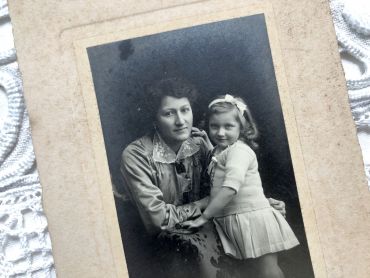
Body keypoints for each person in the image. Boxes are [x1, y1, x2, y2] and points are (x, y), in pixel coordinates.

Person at [120, 78, 287, 278]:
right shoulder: (136, 155)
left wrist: (261, 205)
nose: (181, 121)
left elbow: (225, 187)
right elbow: (157, 220)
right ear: (154, 119)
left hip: (206, 227)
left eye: (185, 110)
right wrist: (204, 204)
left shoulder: (200, 142)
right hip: (163, 243)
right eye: (169, 113)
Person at [182, 94, 299, 278]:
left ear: (241, 127)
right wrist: (207, 142)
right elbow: (218, 173)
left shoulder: (240, 152)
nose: (220, 132)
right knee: (252, 272)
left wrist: (203, 217)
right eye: (215, 126)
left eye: (228, 126)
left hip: (254, 220)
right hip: (237, 219)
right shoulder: (221, 151)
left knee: (268, 271)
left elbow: (229, 188)